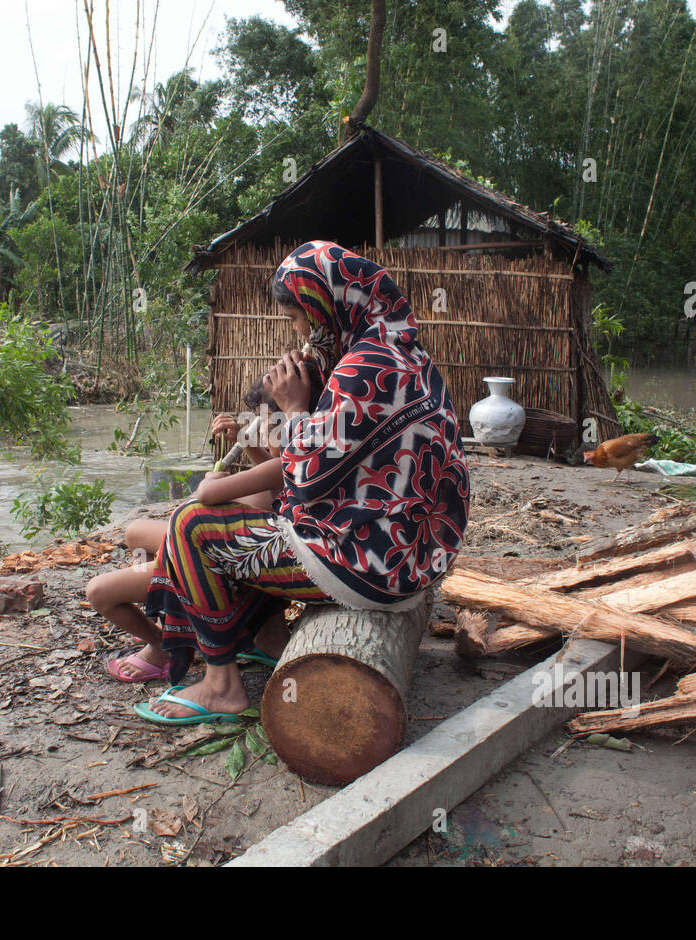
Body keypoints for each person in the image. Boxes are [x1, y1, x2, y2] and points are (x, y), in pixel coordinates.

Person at [132, 240, 469, 724]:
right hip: (412, 557)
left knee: (190, 525)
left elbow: (307, 478)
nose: (299, 333)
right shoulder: (403, 354)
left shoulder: (364, 369)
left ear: (322, 306)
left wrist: (292, 408)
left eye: (296, 319)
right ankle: (260, 638)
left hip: (373, 566)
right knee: (258, 519)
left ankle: (221, 684)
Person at [87, 363, 324, 683]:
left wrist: (216, 485)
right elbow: (275, 481)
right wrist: (247, 445)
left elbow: (210, 495)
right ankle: (172, 623)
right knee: (140, 534)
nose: (266, 433)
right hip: (257, 555)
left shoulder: (296, 460)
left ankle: (163, 646)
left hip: (241, 567)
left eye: (271, 426)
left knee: (99, 591)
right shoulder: (313, 461)